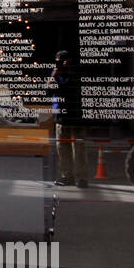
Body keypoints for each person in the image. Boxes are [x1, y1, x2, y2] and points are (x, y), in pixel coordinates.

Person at [48, 50, 88, 187]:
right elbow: (50, 89)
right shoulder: (57, 73)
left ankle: (80, 177)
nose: (60, 64)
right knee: (64, 147)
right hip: (62, 114)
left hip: (74, 113)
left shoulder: (75, 73)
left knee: (78, 147)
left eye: (61, 61)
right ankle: (68, 176)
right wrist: (55, 74)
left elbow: (74, 89)